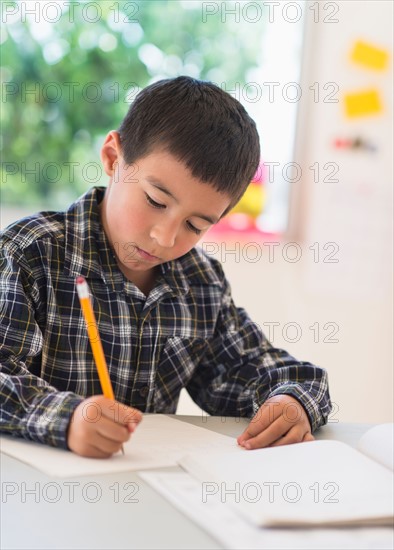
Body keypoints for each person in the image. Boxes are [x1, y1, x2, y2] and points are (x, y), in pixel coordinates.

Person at [0, 76, 332, 458]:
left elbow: (257, 370)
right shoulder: (31, 254)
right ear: (113, 159)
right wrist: (67, 418)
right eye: (156, 200)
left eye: (195, 225)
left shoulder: (200, 283)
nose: (165, 237)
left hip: (148, 491)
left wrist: (291, 400)